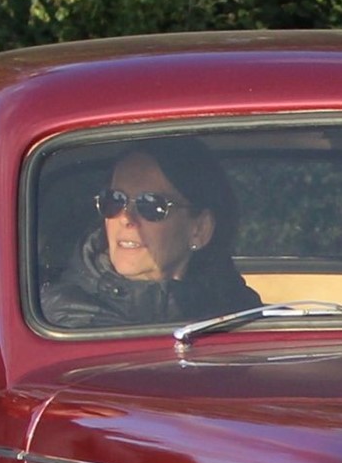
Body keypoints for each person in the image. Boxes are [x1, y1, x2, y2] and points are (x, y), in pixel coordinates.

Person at [39, 138, 260, 328]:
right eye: (114, 201)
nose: (126, 218)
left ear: (199, 229)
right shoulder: (61, 320)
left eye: (151, 205)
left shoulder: (238, 311)